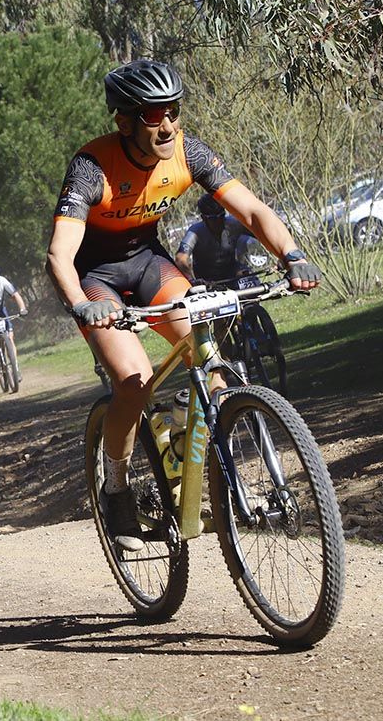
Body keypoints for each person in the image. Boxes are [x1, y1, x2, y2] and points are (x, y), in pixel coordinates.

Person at [44, 58, 321, 551]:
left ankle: (193, 449)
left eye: (173, 109)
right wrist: (78, 304)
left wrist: (293, 255)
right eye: (153, 114)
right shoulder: (92, 166)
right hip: (95, 279)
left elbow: (253, 209)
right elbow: (60, 253)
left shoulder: (189, 152)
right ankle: (116, 487)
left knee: (211, 358)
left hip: (149, 265)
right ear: (124, 121)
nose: (168, 124)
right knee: (134, 381)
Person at [175, 195, 263, 285]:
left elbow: (262, 235)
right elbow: (180, 259)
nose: (219, 221)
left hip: (231, 270)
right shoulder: (195, 232)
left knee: (250, 281)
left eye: (222, 216)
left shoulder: (234, 224)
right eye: (213, 219)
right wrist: (192, 281)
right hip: (206, 277)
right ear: (204, 218)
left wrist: (277, 254)